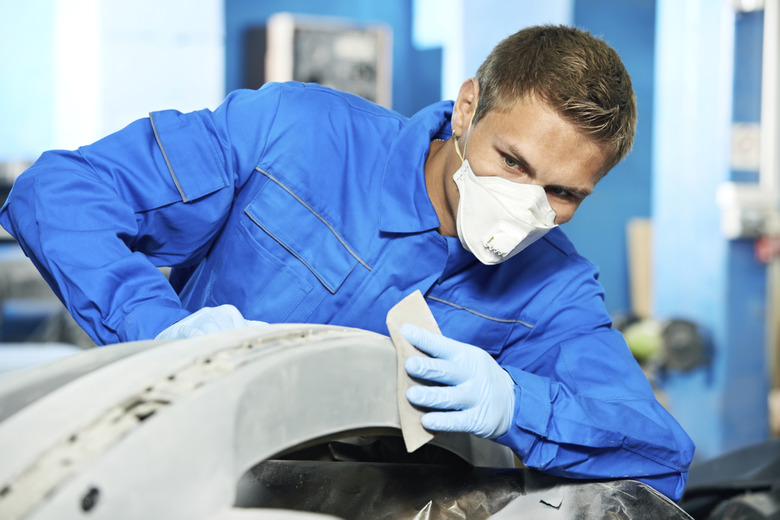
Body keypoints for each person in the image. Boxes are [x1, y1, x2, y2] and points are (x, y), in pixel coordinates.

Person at [0, 25, 694, 500]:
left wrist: (518, 404)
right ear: (467, 109)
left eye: (563, 193)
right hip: (166, 471)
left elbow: (658, 455)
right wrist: (156, 331)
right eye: (511, 162)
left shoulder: (553, 292)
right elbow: (58, 194)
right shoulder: (295, 135)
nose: (526, 205)